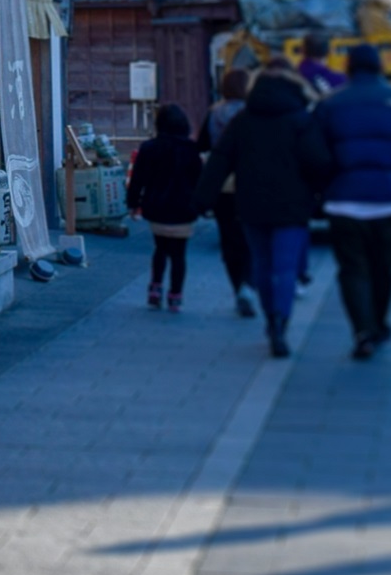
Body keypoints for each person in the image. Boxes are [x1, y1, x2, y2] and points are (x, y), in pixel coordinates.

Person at [198, 63, 333, 358]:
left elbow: (220, 160)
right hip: (293, 207)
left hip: (251, 204)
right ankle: (280, 322)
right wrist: (322, 196)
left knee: (262, 263)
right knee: (285, 267)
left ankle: (269, 314)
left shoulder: (243, 121)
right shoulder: (301, 121)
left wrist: (203, 199)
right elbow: (319, 162)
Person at [315, 43, 391, 358]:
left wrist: (329, 184)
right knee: (383, 268)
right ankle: (379, 323)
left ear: (348, 67)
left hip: (343, 201)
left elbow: (318, 153)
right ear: (379, 66)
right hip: (387, 200)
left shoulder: (331, 105)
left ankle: (362, 330)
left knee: (352, 269)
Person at [131, 104, 203, 311]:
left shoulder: (149, 148)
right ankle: (175, 295)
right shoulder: (191, 149)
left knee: (160, 248)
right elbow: (199, 180)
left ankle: (155, 287)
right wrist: (203, 205)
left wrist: (133, 203)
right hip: (184, 208)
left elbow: (138, 179)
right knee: (179, 254)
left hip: (157, 207)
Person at [201, 67, 258, 317]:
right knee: (252, 237)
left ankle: (238, 288)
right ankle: (250, 282)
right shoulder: (253, 113)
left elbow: (201, 145)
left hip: (223, 186)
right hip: (252, 183)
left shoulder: (214, 112)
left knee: (229, 239)